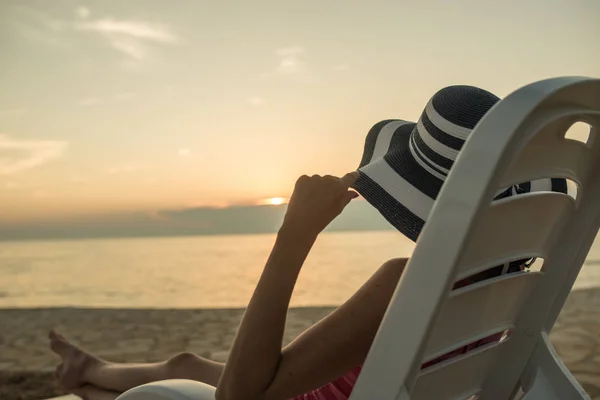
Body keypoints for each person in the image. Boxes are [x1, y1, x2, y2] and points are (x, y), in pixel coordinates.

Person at [49, 85, 567, 400]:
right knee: (184, 363)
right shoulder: (504, 284)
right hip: (355, 388)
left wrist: (295, 236)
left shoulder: (403, 283)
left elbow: (239, 396)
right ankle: (88, 372)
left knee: (176, 385)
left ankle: (89, 383)